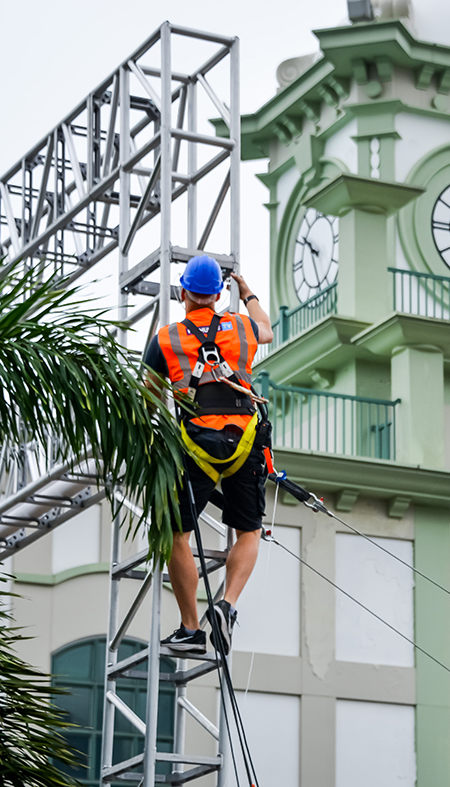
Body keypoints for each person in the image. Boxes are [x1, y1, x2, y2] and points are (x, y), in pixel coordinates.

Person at [142, 255, 274, 654]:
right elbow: (267, 330)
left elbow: (149, 399)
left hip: (195, 447)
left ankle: (190, 627)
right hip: (245, 439)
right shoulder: (242, 326)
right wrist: (247, 292)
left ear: (183, 293)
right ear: (218, 295)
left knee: (175, 532)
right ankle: (227, 605)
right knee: (248, 531)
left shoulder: (165, 339)